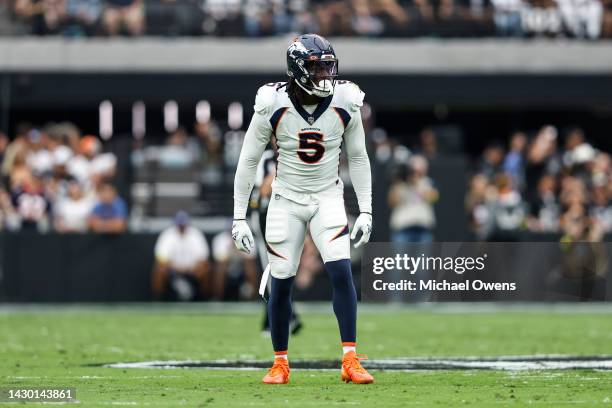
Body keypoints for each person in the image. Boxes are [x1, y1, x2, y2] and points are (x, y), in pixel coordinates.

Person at [232, 34, 373, 385]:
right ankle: (280, 362)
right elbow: (249, 160)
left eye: (328, 66)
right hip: (286, 200)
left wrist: (367, 209)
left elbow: (357, 156)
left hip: (328, 197)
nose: (326, 74)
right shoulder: (272, 102)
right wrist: (238, 217)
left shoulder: (346, 99)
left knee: (341, 272)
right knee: (281, 282)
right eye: (317, 67)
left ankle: (350, 358)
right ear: (297, 70)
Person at [152, 211, 211, 301]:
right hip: (173, 270)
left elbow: (202, 258)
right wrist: (177, 268)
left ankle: (205, 299)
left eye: (183, 224)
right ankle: (158, 300)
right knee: (159, 268)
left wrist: (191, 269)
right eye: (180, 225)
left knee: (206, 268)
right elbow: (161, 258)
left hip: (192, 270)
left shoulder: (195, 234)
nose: (181, 227)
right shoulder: (167, 234)